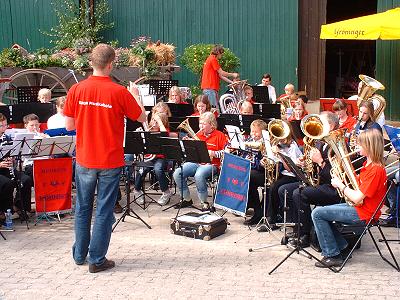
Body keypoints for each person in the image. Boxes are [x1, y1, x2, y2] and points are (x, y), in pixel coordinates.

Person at [64, 44, 146, 273]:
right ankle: (97, 259)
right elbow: (141, 117)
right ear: (110, 64)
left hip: (85, 158)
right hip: (109, 159)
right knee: (103, 210)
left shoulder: (76, 90)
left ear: (91, 63)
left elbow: (70, 125)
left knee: (82, 207)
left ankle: (79, 254)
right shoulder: (119, 92)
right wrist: (136, 96)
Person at [312, 129, 387, 268]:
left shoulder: (376, 170)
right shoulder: (367, 165)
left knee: (317, 214)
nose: (356, 147)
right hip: (360, 208)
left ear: (370, 146)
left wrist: (341, 186)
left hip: (365, 213)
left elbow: (358, 197)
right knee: (321, 212)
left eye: (360, 144)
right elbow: (358, 188)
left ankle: (333, 255)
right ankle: (342, 247)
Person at [173, 112, 227, 210]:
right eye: (200, 123)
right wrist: (186, 144)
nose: (200, 126)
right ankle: (186, 199)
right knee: (177, 173)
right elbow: (188, 153)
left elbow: (226, 151)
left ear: (212, 124)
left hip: (212, 164)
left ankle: (204, 201)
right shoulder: (198, 135)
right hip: (196, 162)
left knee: (199, 175)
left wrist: (214, 153)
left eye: (204, 124)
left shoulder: (220, 135)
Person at [132, 112, 173, 206]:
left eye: (157, 121)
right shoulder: (148, 130)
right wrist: (140, 135)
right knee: (142, 169)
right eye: (153, 120)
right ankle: (137, 190)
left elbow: (165, 135)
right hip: (150, 157)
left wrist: (160, 123)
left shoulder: (164, 129)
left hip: (161, 157)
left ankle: (166, 192)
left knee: (158, 169)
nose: (154, 122)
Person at [0, 113, 33, 221]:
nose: (4, 128)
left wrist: (13, 159)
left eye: (5, 125)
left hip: (7, 169)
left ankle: (19, 206)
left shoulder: (7, 138)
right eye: (1, 126)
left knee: (26, 180)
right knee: (7, 183)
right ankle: (4, 210)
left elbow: (12, 154)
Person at [201, 45, 239, 110]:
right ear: (218, 52)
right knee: (214, 110)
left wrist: (231, 82)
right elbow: (222, 73)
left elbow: (220, 75)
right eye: (221, 53)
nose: (222, 55)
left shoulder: (211, 59)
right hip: (210, 88)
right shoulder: (213, 59)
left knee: (215, 110)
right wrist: (233, 74)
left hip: (211, 89)